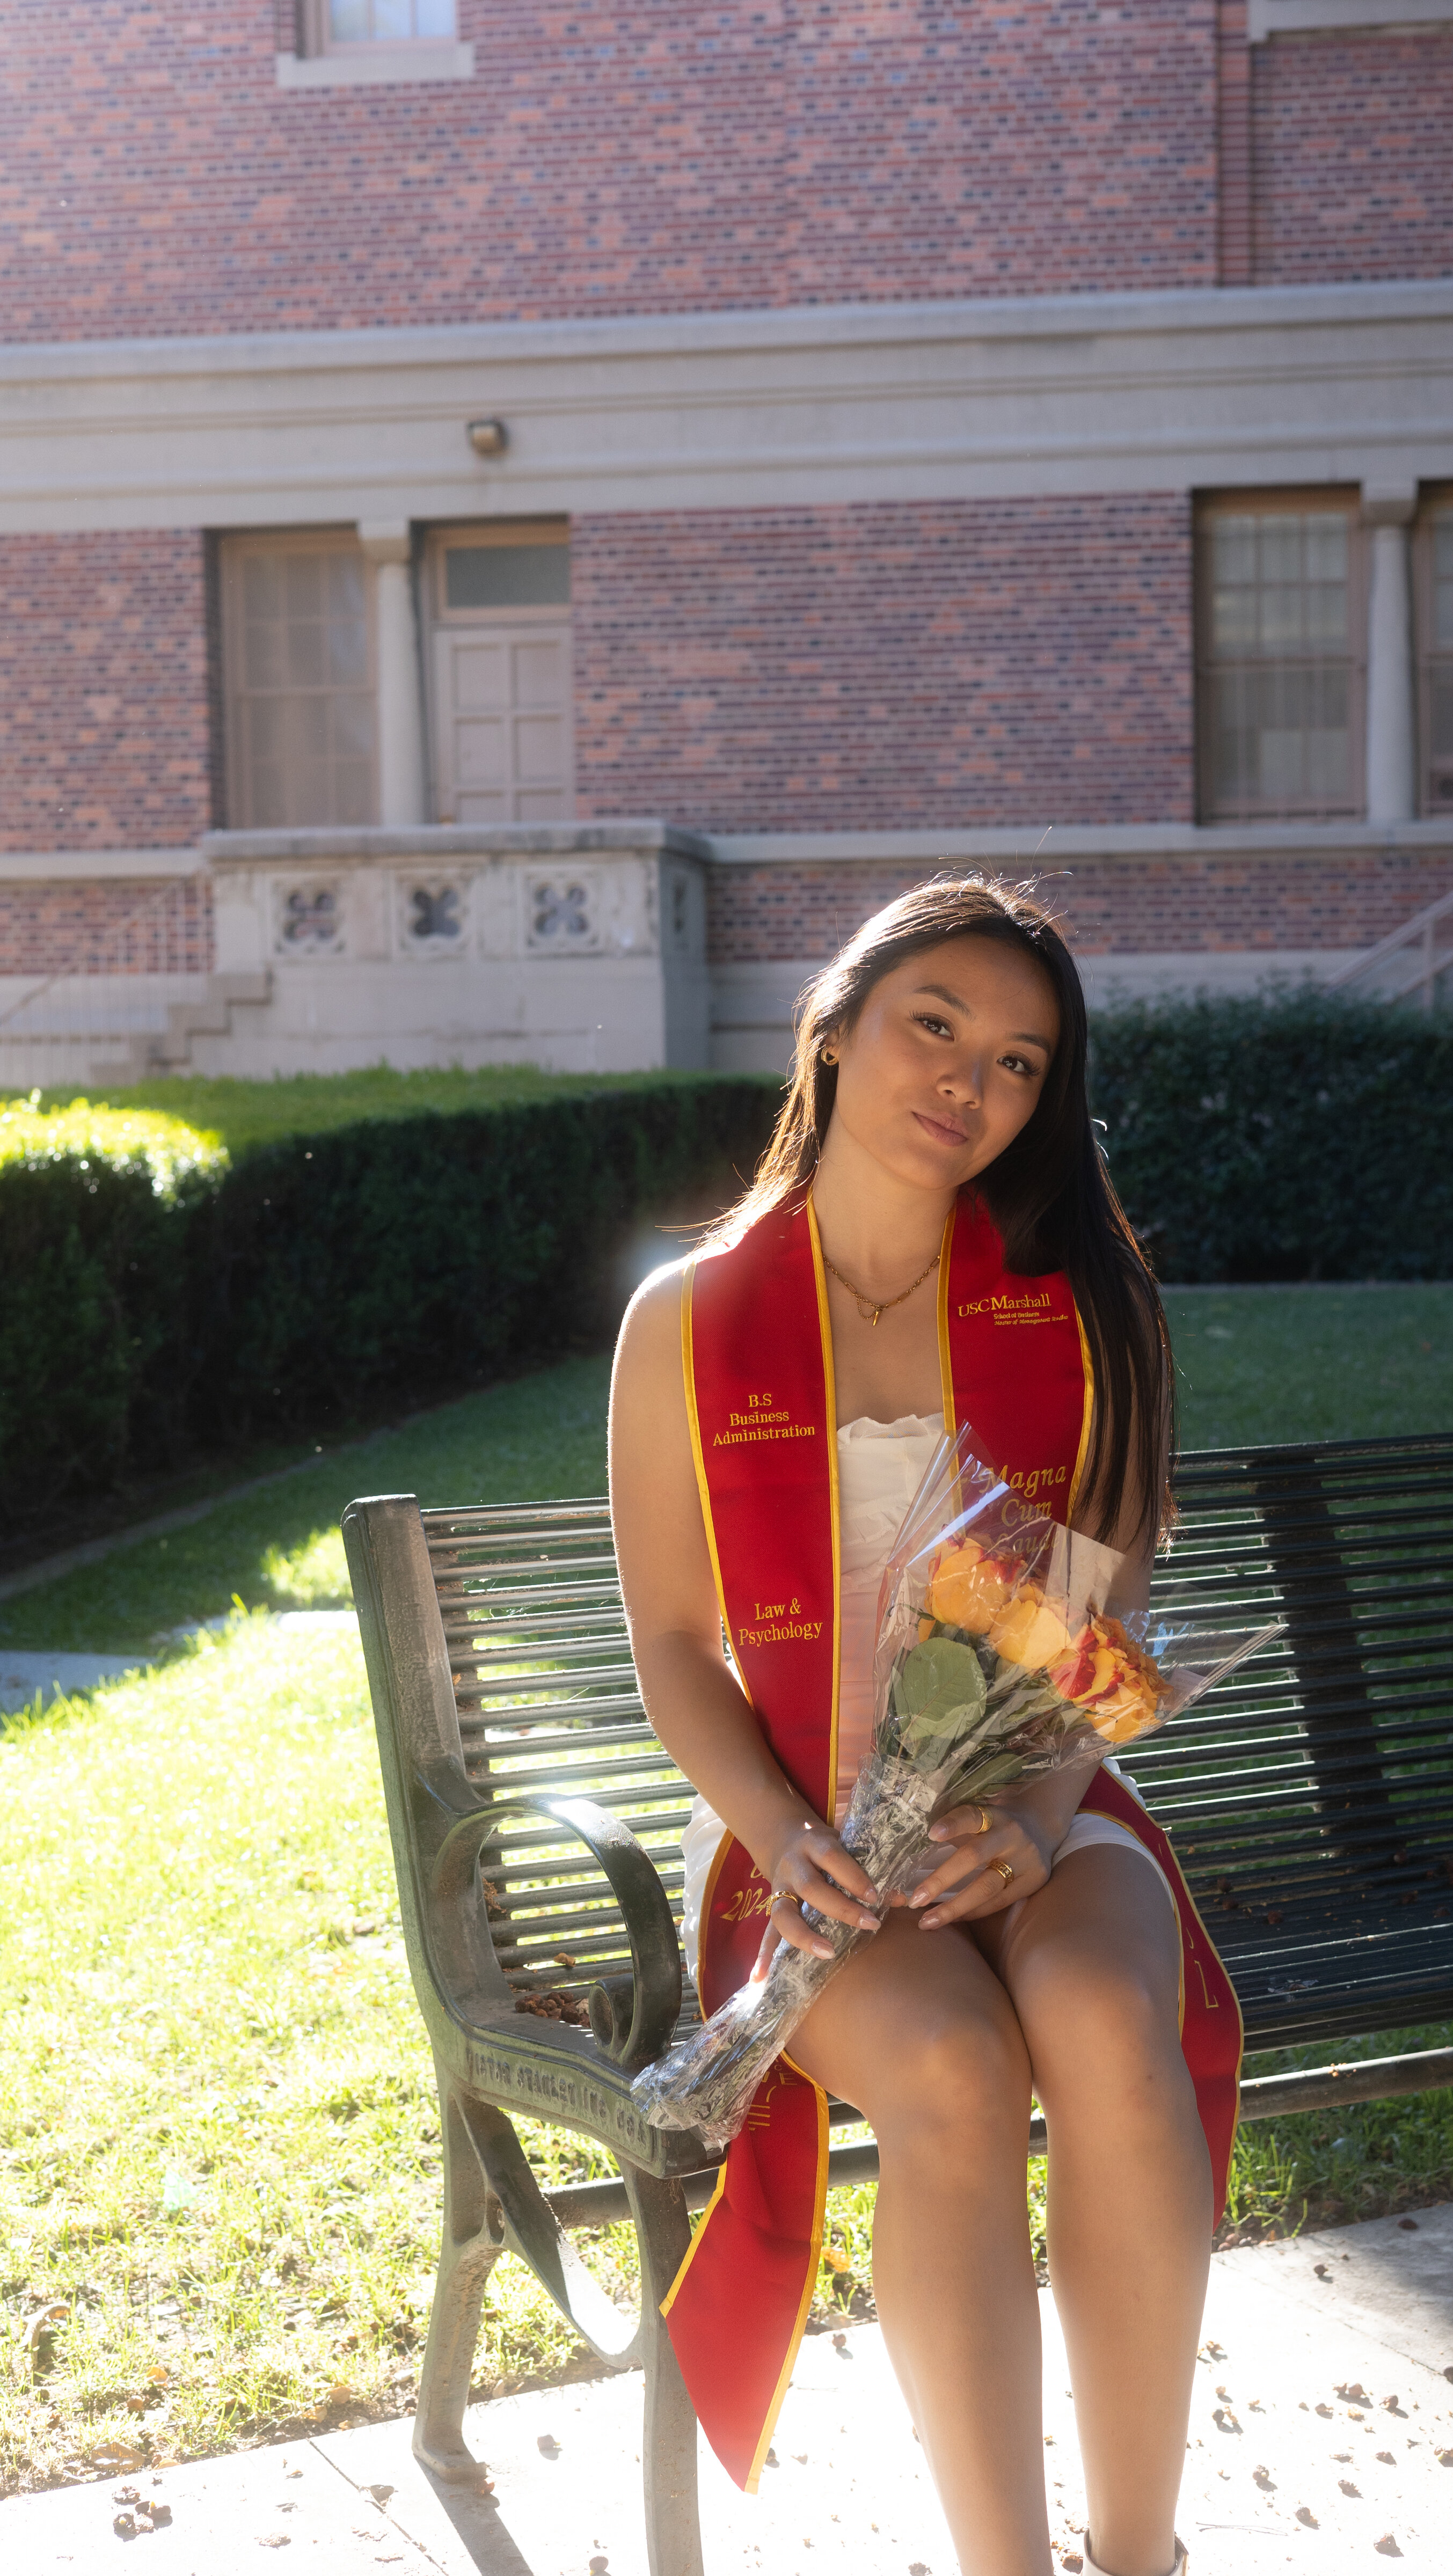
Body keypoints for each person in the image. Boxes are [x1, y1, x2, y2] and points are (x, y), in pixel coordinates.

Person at [609, 877, 1242, 2576]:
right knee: (955, 2070)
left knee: (1107, 2014)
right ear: (838, 1026)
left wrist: (1039, 1816)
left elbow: (1091, 1642)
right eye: (937, 1026)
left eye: (1023, 1062)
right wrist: (777, 1833)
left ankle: (1140, 2550)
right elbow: (674, 1644)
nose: (973, 1081)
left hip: (1037, 1793)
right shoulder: (688, 1320)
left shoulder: (1077, 1305)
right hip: (802, 1820)